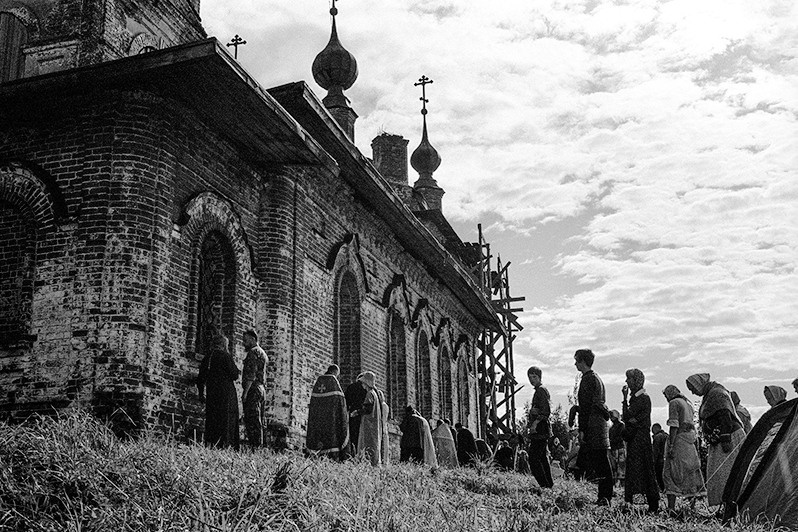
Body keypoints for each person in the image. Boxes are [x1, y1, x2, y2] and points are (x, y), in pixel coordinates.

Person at [686, 373, 745, 508]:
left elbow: (725, 415)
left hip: (729, 437)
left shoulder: (716, 394)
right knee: (719, 473)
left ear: (698, 384)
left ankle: (732, 505)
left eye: (692, 387)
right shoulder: (710, 394)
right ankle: (725, 505)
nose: (692, 392)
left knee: (726, 473)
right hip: (719, 439)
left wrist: (725, 439)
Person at [574, 349, 614, 505]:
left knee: (600, 462)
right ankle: (604, 496)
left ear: (583, 361)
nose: (575, 363)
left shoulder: (588, 379)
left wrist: (582, 430)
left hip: (593, 424)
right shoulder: (596, 378)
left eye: (577, 360)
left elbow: (585, 407)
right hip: (599, 424)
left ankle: (605, 497)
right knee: (600, 461)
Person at [661, 385, 705, 514]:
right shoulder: (687, 404)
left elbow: (674, 425)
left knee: (670, 471)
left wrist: (671, 445)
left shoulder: (674, 403)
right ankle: (692, 506)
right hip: (690, 440)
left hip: (679, 440)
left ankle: (671, 508)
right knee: (690, 471)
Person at [622, 369, 660, 513]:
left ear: (636, 380)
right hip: (636, 438)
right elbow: (628, 418)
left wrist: (625, 402)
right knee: (636, 469)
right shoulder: (637, 398)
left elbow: (627, 417)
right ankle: (639, 502)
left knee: (643, 468)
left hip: (640, 439)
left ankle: (651, 503)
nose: (627, 382)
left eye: (629, 379)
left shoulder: (642, 398)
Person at [196, 333, 240, 449]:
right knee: (227, 419)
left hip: (212, 391)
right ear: (224, 344)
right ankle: (226, 445)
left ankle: (212, 444)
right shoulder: (225, 356)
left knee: (213, 418)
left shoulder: (208, 357)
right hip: (226, 392)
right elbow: (235, 374)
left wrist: (201, 394)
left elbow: (201, 378)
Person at [305, 365, 349, 459]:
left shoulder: (318, 382)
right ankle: (332, 456)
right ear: (335, 372)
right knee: (331, 437)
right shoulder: (333, 382)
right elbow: (341, 404)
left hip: (317, 419)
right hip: (331, 420)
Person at [526, 366, 554, 488]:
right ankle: (548, 485)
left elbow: (546, 411)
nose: (532, 380)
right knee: (542, 458)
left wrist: (535, 423)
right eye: (530, 377)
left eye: (534, 377)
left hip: (540, 429)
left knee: (533, 459)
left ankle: (544, 484)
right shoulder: (539, 390)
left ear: (539, 377)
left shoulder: (541, 391)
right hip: (540, 429)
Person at [241, 329, 267, 449]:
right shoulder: (263, 353)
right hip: (261, 389)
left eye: (245, 341)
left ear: (252, 339)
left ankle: (255, 447)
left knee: (252, 419)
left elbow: (250, 375)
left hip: (253, 389)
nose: (244, 343)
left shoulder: (252, 353)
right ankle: (260, 446)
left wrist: (245, 393)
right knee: (260, 419)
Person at [357, 371, 384, 466]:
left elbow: (367, 409)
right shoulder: (375, 394)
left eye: (363, 383)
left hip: (369, 424)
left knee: (368, 444)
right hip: (374, 424)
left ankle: (368, 463)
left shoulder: (369, 394)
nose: (362, 385)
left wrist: (357, 412)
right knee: (374, 443)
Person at [344, 373, 367, 455]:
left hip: (353, 413)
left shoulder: (351, 387)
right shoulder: (367, 388)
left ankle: (354, 454)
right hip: (364, 414)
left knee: (354, 435)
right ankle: (363, 454)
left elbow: (346, 402)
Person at [608, 410, 626, 487]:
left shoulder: (621, 425)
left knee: (621, 467)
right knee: (614, 466)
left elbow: (621, 437)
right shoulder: (611, 428)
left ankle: (622, 485)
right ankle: (616, 484)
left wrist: (612, 441)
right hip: (614, 448)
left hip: (620, 448)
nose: (611, 418)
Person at [652, 423, 668, 492]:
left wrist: (653, 462)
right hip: (667, 460)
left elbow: (656, 451)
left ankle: (663, 490)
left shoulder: (657, 437)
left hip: (659, 461)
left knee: (659, 477)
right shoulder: (667, 436)